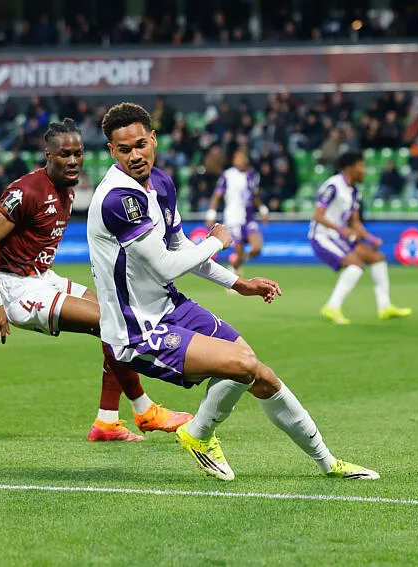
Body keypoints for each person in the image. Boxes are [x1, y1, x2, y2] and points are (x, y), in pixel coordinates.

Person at [87, 102, 377, 480]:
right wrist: (217, 242)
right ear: (112, 150)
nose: (135, 155)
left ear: (153, 138)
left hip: (169, 304)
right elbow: (166, 265)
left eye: (140, 144)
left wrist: (239, 283)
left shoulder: (161, 182)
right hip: (136, 328)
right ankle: (199, 433)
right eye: (124, 149)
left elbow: (179, 251)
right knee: (242, 366)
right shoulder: (118, 199)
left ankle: (329, 463)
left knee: (260, 373)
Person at [0, 118, 192, 441]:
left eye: (78, 153)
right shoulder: (25, 191)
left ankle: (107, 422)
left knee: (115, 316)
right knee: (110, 322)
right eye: (64, 154)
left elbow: (16, 241)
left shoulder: (68, 190)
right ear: (48, 156)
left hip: (42, 277)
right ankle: (144, 410)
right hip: (17, 289)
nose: (73, 161)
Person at [309, 150, 412, 324]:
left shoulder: (355, 191)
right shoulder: (333, 186)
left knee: (377, 258)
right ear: (351, 167)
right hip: (322, 237)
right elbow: (318, 216)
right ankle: (332, 307)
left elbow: (355, 222)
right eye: (361, 166)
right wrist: (341, 230)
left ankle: (385, 307)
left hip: (340, 236)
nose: (364, 170)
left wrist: (370, 238)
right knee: (356, 266)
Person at [204, 149, 268, 280]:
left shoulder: (253, 175)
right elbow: (217, 195)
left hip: (249, 218)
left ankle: (235, 264)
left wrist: (262, 209)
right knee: (239, 250)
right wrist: (211, 214)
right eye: (237, 158)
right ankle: (233, 271)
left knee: (257, 248)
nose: (240, 160)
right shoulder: (228, 175)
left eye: (242, 157)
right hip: (233, 218)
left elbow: (253, 195)